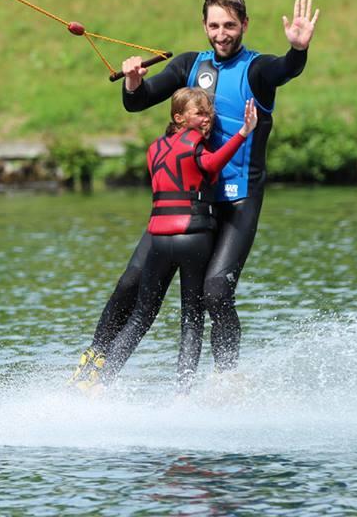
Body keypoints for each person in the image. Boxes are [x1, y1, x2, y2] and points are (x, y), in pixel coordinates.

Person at [71, 0, 319, 382]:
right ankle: (93, 364)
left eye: (231, 26)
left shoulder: (256, 71)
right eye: (215, 25)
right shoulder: (190, 66)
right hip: (188, 204)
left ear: (244, 25)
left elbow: (284, 69)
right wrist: (133, 81)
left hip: (237, 201)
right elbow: (138, 100)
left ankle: (227, 381)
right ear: (204, 25)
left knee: (216, 291)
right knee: (131, 281)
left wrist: (298, 50)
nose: (222, 34)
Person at [70, 89, 258, 394]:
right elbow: (211, 166)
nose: (207, 119)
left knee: (141, 316)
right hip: (193, 238)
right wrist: (243, 132)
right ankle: (183, 393)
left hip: (158, 239)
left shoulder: (154, 148)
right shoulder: (196, 145)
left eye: (209, 113)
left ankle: (101, 382)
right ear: (179, 117)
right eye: (200, 113)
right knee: (191, 319)